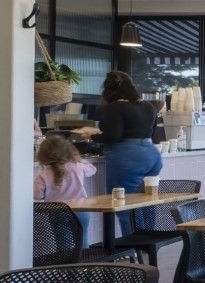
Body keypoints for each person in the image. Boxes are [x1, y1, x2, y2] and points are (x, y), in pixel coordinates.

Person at [73, 71, 162, 233]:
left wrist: (91, 135)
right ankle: (149, 241)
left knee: (124, 205)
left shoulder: (115, 107)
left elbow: (114, 136)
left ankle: (133, 245)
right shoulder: (148, 106)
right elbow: (147, 131)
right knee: (147, 202)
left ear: (109, 90)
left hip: (128, 157)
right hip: (151, 155)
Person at [34, 134, 98, 235]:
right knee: (83, 240)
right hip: (81, 210)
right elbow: (93, 169)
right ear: (67, 151)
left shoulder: (43, 174)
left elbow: (37, 195)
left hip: (56, 212)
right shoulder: (78, 167)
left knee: (62, 242)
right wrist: (78, 158)